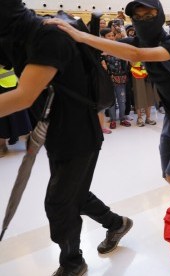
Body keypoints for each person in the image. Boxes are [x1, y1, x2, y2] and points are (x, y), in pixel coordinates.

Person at [47, 0, 170, 224]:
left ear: (159, 15)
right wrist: (70, 34)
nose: (142, 20)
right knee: (168, 175)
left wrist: (81, 36)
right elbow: (107, 46)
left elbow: (136, 54)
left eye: (148, 15)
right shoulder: (139, 40)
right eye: (137, 17)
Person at [0, 1, 132, 275]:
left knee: (59, 202)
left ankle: (72, 263)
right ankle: (117, 224)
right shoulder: (17, 34)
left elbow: (25, 95)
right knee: (74, 196)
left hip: (79, 132)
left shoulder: (48, 33)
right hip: (56, 130)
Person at [0, 66, 32, 157]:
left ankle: (30, 142)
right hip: (9, 80)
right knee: (2, 119)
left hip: (10, 81)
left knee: (20, 114)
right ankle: (1, 145)